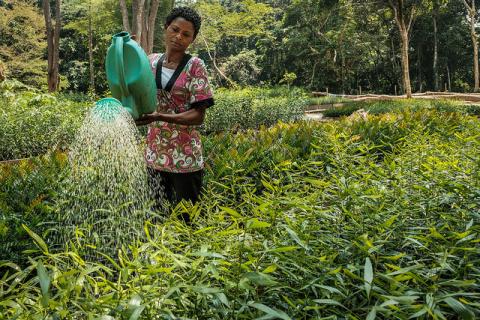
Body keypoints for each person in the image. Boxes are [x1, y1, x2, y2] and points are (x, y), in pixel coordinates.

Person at [135, 7, 214, 222]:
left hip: (184, 159)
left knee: (186, 220)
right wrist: (127, 52)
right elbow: (135, 93)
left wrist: (159, 117)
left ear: (192, 39)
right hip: (154, 156)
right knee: (155, 216)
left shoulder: (195, 66)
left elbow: (198, 116)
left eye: (186, 34)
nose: (178, 37)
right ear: (166, 28)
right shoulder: (150, 61)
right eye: (175, 29)